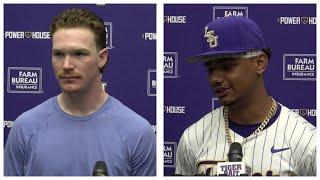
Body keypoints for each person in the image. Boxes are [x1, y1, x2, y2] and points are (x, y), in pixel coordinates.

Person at [4, 8, 156, 176]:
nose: (67, 65)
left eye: (79, 54)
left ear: (102, 58)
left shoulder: (137, 132)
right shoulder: (25, 128)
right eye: (59, 54)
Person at [175, 16, 316, 176]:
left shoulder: (307, 142)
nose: (215, 79)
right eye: (210, 69)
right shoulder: (192, 138)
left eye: (227, 66)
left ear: (260, 63)